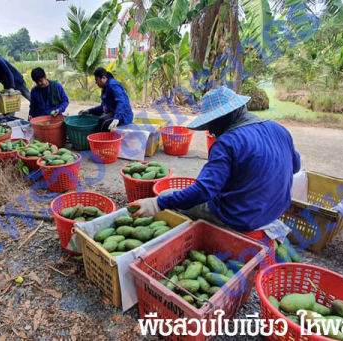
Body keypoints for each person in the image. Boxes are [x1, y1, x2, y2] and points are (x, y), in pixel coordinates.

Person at [131, 86, 301, 252]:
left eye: (212, 122)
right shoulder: (279, 129)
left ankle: (194, 242)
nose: (210, 130)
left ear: (227, 116)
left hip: (239, 218)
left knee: (168, 195)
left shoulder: (227, 142)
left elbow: (204, 191)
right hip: (274, 211)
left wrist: (157, 203)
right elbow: (296, 166)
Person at [78, 68, 133, 132]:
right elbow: (103, 107)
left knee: (103, 121)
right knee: (95, 117)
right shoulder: (105, 88)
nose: (96, 83)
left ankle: (103, 140)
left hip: (123, 115)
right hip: (114, 112)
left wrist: (117, 118)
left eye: (97, 80)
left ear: (103, 78)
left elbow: (121, 101)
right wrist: (89, 111)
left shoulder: (113, 85)